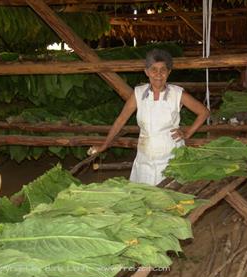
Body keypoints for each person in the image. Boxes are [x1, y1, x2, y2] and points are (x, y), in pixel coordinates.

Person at [88, 49, 209, 185]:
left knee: (169, 198)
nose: (158, 74)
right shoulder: (138, 94)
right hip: (144, 157)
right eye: (154, 70)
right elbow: (121, 120)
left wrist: (187, 133)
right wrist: (105, 144)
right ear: (147, 72)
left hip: (171, 156)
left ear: (169, 72)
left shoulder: (177, 93)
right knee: (145, 196)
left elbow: (203, 112)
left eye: (163, 70)